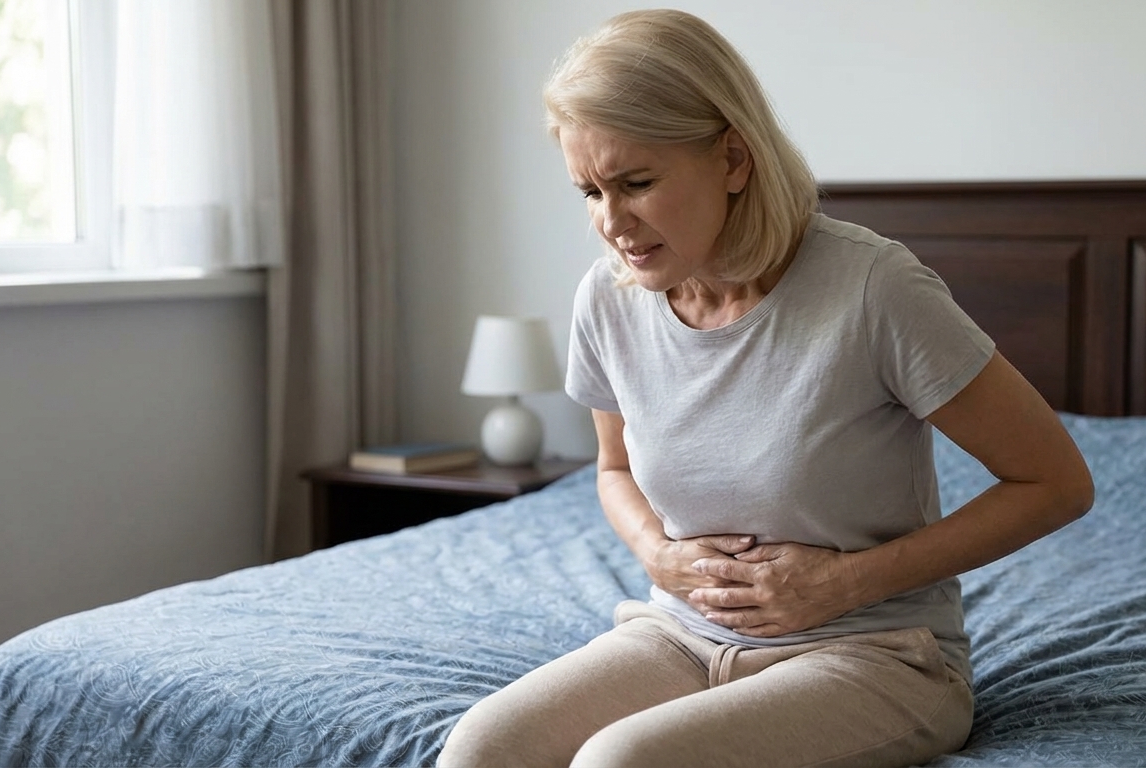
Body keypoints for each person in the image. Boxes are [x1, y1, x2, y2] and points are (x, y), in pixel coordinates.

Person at [439, 9, 1094, 768]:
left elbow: (1056, 483)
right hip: (683, 633)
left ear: (735, 160)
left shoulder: (874, 289)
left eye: (636, 182)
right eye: (588, 191)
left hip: (873, 652)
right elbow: (613, 468)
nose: (611, 222)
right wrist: (657, 553)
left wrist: (844, 582)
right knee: (480, 748)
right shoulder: (608, 299)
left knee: (623, 762)